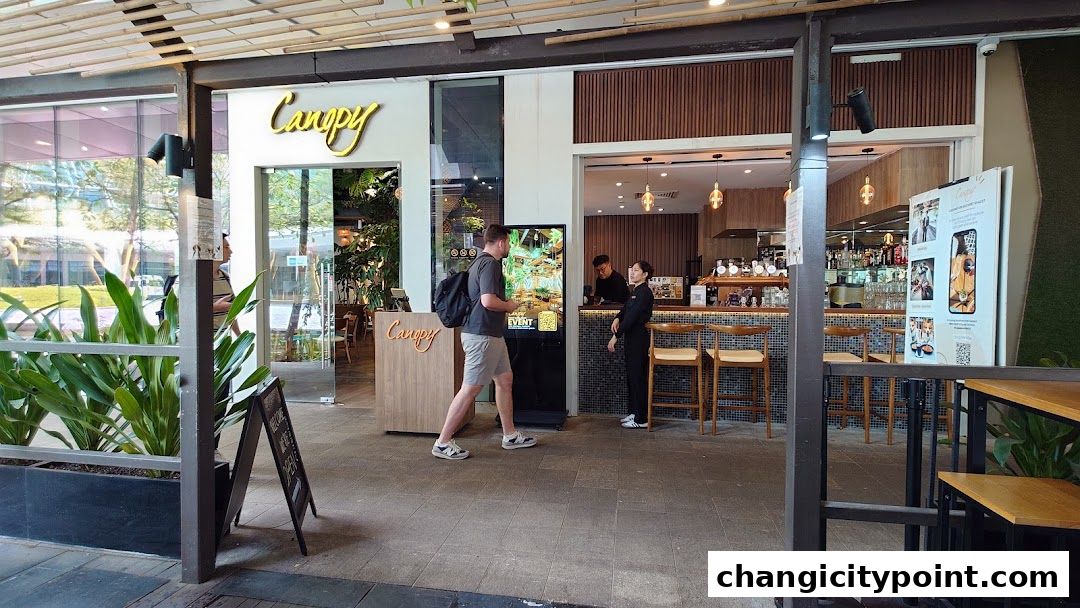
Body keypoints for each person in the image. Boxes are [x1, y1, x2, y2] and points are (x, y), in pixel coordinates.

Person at [433, 224, 537, 460]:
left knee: (505, 380)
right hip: (482, 336)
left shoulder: (479, 261)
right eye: (509, 242)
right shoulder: (490, 263)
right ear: (501, 242)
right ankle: (442, 442)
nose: (509, 246)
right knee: (471, 388)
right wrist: (510, 305)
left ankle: (509, 435)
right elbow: (488, 301)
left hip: (491, 335)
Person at [607, 260, 654, 429]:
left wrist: (616, 336)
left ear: (645, 274)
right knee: (632, 377)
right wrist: (618, 317)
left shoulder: (645, 293)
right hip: (631, 339)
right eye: (631, 270)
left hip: (639, 339)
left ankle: (642, 419)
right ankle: (635, 413)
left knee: (638, 378)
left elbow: (633, 316)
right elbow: (626, 310)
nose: (632, 273)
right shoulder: (635, 291)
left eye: (636, 270)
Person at [213, 234, 240, 337]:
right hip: (197, 346)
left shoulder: (225, 276)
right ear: (213, 249)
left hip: (221, 345)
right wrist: (214, 308)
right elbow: (179, 311)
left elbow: (231, 311)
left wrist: (239, 337)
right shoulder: (190, 280)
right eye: (226, 247)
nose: (231, 251)